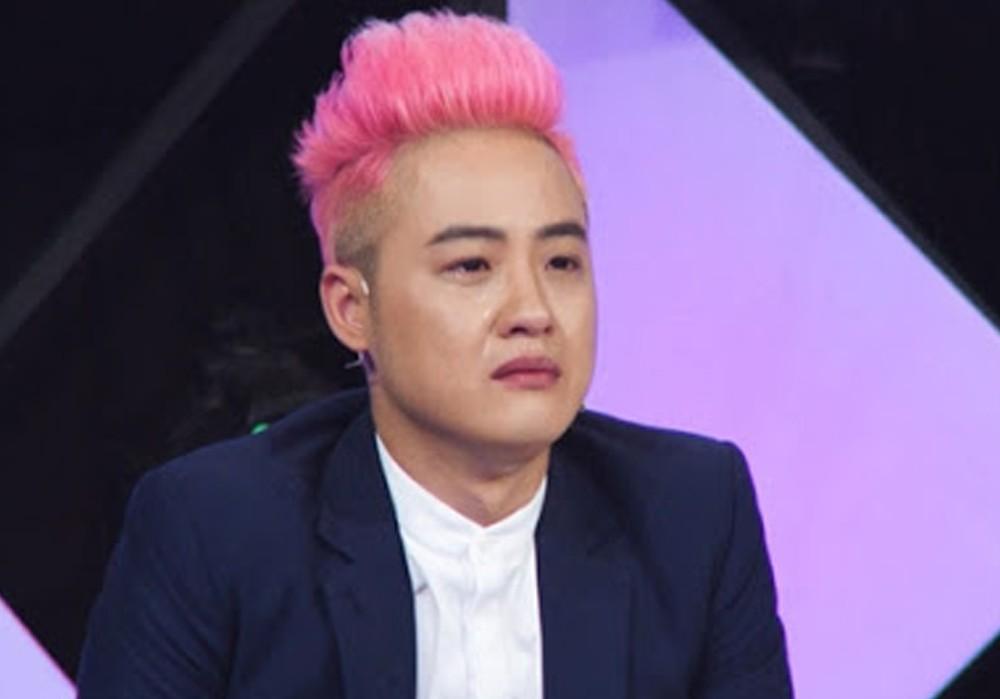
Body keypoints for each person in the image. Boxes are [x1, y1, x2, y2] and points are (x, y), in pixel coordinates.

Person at [77, 10, 792, 698]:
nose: (533, 311)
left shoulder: (692, 514)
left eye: (562, 263)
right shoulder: (216, 530)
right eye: (472, 266)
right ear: (351, 308)